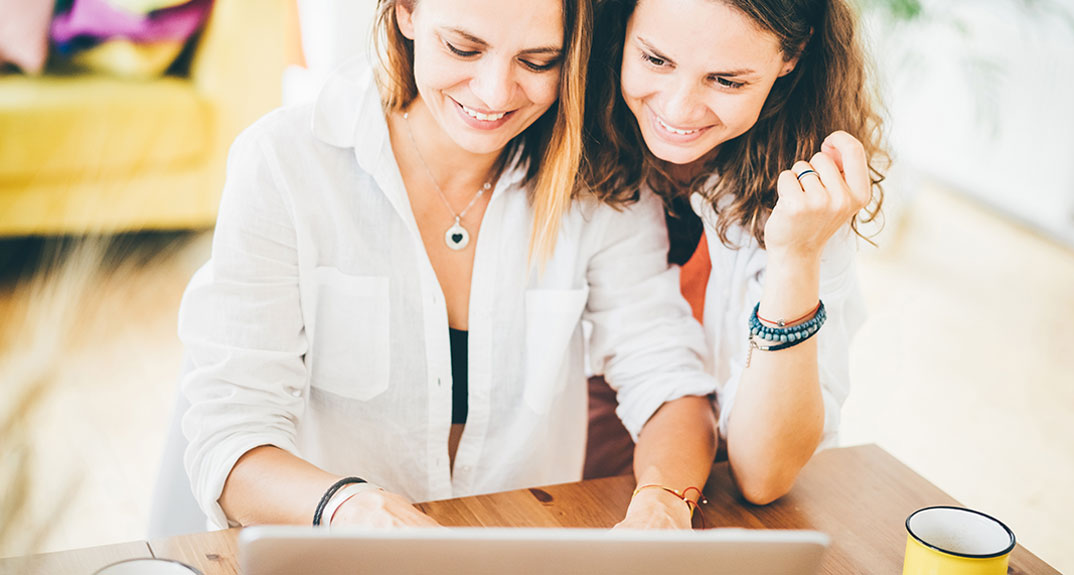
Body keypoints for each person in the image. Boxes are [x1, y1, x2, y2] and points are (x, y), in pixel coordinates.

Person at [178, 0, 719, 532]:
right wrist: (346, 508)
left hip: (520, 550)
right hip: (337, 558)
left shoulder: (598, 183)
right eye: (463, 47)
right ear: (406, 13)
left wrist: (664, 505)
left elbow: (670, 383)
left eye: (538, 61)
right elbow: (228, 440)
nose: (493, 92)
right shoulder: (285, 163)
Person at [582, 0, 887, 504]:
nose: (677, 110)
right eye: (656, 60)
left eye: (726, 81)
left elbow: (764, 474)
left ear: (793, 55)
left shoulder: (811, 183)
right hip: (580, 463)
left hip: (724, 489)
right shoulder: (566, 132)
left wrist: (797, 255)